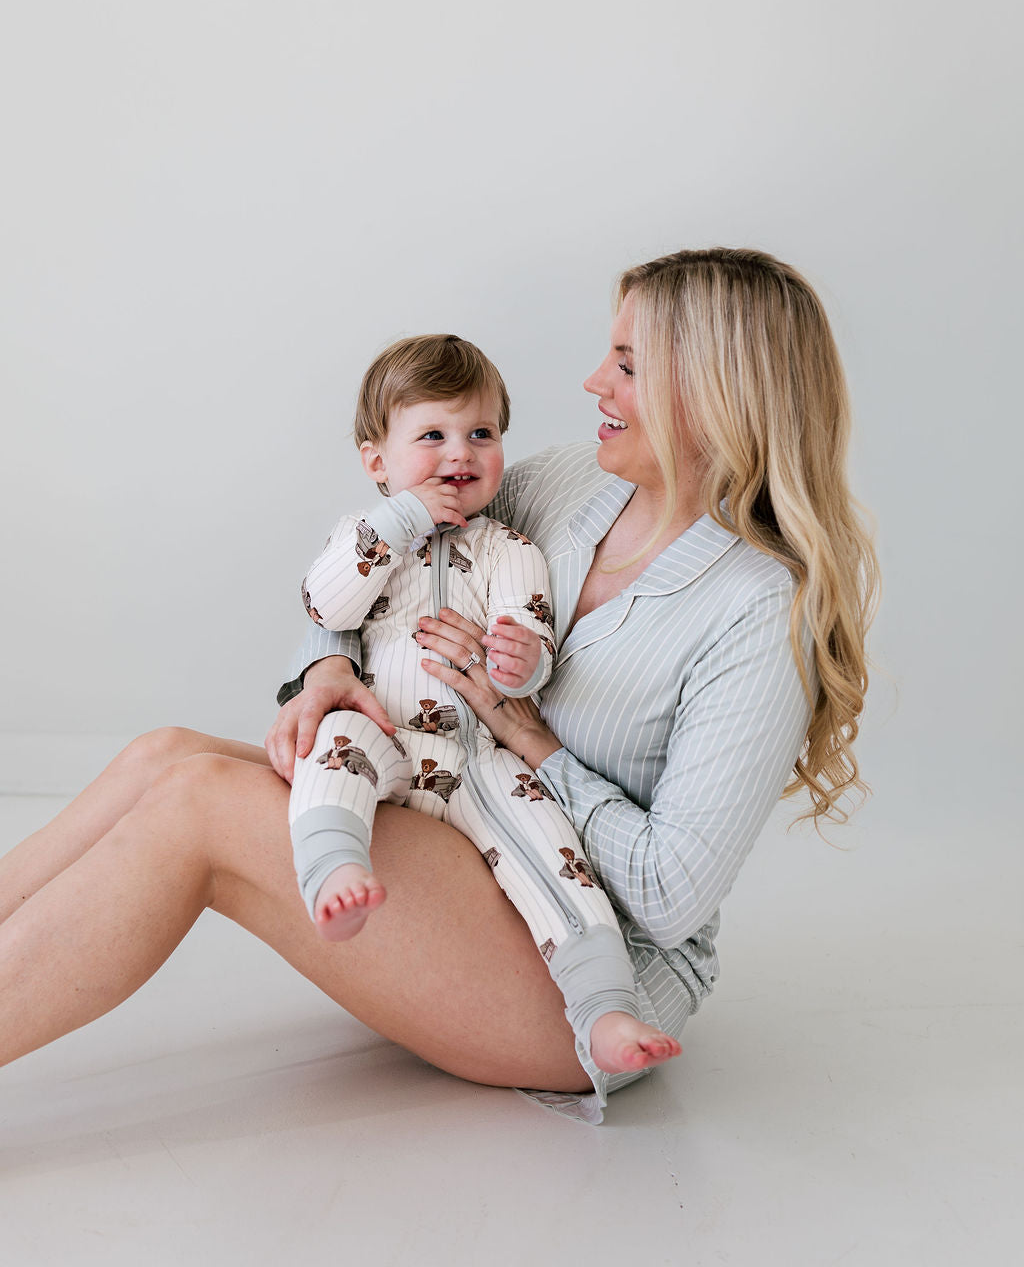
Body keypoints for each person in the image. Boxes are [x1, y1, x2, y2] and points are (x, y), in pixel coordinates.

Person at [0, 247, 877, 1125]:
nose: (593, 382)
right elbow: (396, 562)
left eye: (627, 365)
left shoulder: (761, 609)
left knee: (197, 803)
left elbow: (669, 894)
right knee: (163, 757)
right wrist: (328, 664)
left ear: (714, 392)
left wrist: (532, 740)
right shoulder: (569, 485)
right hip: (458, 824)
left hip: (590, 965)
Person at [289, 332, 681, 1077]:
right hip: (386, 734)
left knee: (553, 850)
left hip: (478, 759)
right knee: (331, 744)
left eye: (481, 434)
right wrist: (402, 521)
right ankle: (334, 872)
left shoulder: (510, 548)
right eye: (431, 436)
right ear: (377, 461)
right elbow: (325, 602)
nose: (458, 455)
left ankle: (603, 1007)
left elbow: (530, 631)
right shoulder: (366, 538)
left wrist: (524, 660)